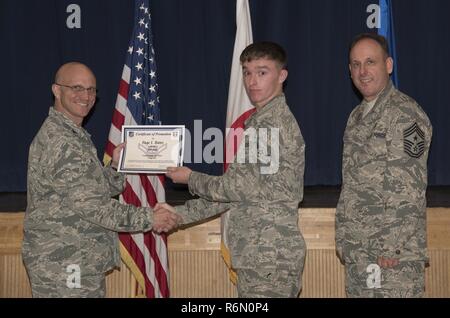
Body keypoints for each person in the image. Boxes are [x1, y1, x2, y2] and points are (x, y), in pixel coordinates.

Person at [159, 42, 306, 297]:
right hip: (261, 255)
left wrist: (190, 178)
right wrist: (180, 215)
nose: (252, 81)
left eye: (262, 72)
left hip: (268, 256)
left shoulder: (271, 124)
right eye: (247, 72)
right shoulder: (259, 122)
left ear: (281, 75)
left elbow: (234, 188)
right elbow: (237, 194)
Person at [22, 62, 178, 298]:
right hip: (64, 262)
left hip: (74, 260)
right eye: (76, 87)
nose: (85, 96)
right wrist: (150, 217)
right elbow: (95, 207)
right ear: (56, 90)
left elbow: (89, 189)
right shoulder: (61, 142)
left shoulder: (71, 135)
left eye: (91, 89)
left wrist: (114, 167)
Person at [335, 33, 432, 297]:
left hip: (390, 261)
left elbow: (408, 189)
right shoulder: (356, 116)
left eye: (370, 62)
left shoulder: (404, 114)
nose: (362, 71)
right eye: (356, 64)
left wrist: (391, 248)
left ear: (388, 65)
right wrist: (344, 238)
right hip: (360, 253)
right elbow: (352, 184)